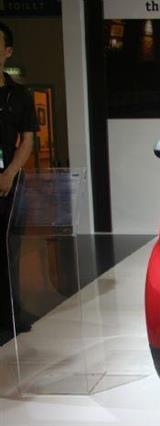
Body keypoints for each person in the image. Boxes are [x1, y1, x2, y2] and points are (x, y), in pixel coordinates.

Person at [0, 21, 37, 333]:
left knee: (8, 250)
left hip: (7, 183)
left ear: (7, 51)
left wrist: (10, 173)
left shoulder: (19, 95)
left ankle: (11, 312)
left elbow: (27, 139)